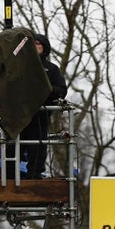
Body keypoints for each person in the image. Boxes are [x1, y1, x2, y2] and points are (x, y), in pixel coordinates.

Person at [20, 33, 67, 178]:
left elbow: (61, 90)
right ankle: (9, 178)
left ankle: (34, 178)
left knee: (38, 149)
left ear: (44, 47)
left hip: (40, 116)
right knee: (12, 147)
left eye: (38, 44)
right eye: (33, 44)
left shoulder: (52, 69)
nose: (36, 47)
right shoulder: (19, 66)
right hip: (19, 115)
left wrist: (47, 89)